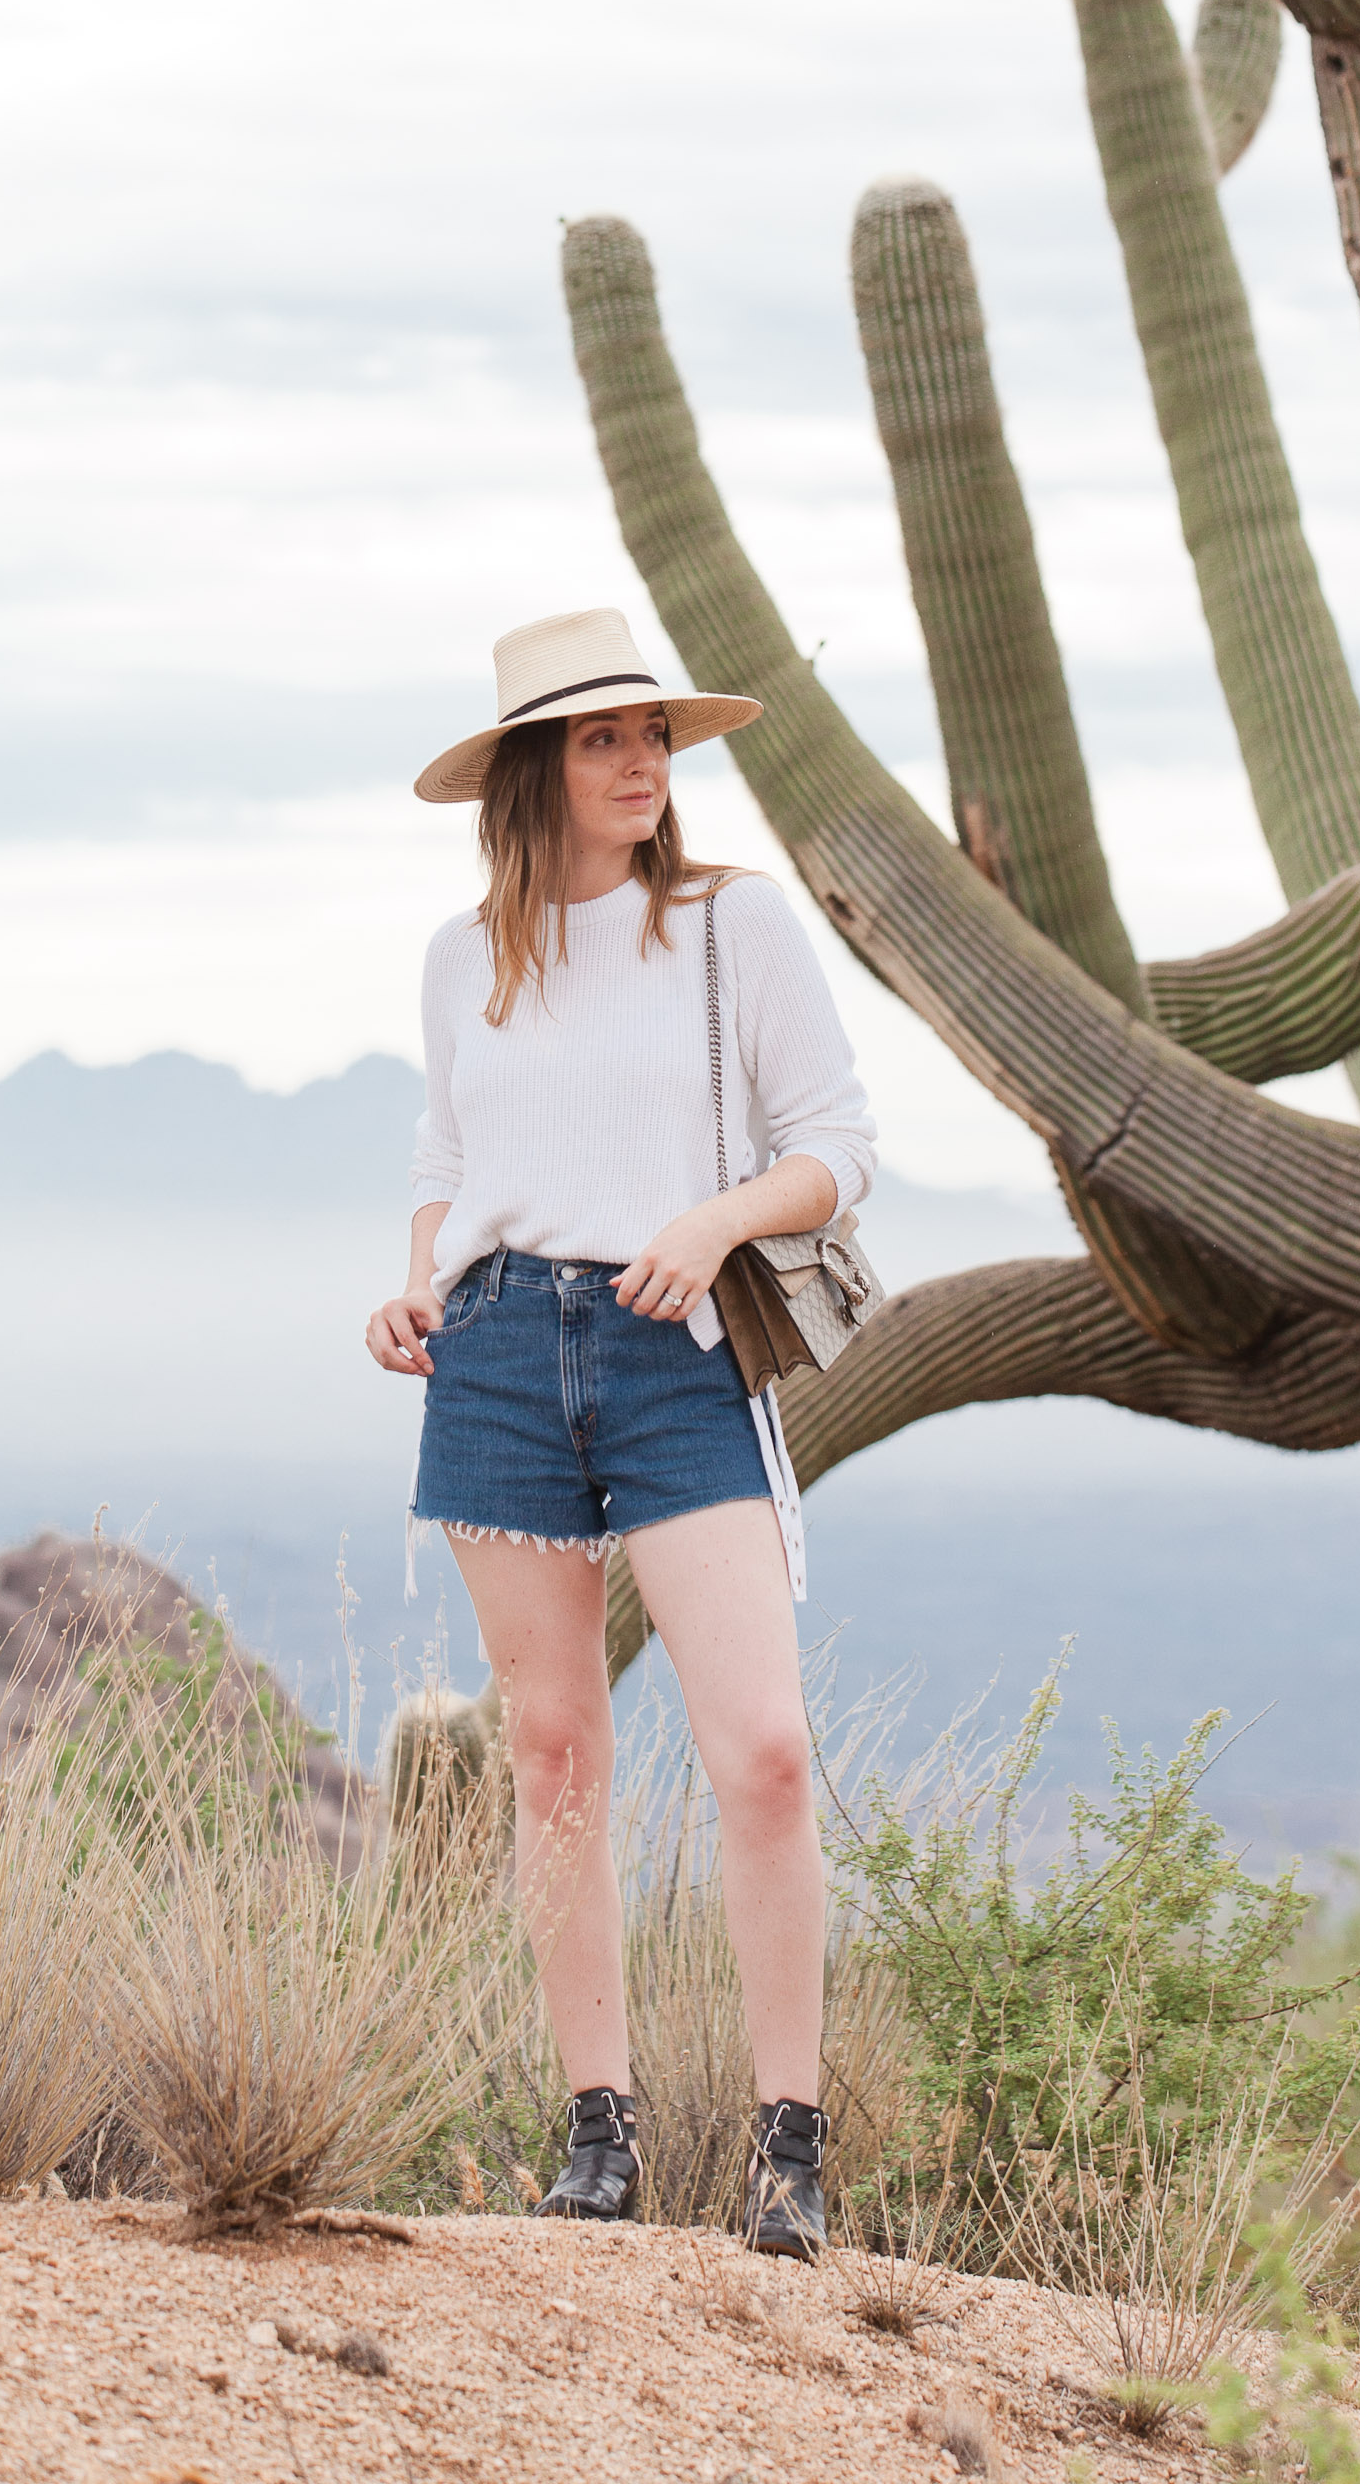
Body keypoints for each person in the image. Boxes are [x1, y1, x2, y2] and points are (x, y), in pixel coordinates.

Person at [367, 606, 876, 2251]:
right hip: (501, 1351)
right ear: (536, 767)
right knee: (553, 1753)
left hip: (672, 1351)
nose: (644, 760)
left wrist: (717, 1222)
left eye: (652, 734)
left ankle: (789, 2144)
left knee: (766, 1756)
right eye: (604, 738)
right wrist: (417, 1285)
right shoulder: (465, 956)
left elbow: (839, 1147)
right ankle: (600, 2127)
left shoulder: (734, 928)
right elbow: (449, 1158)